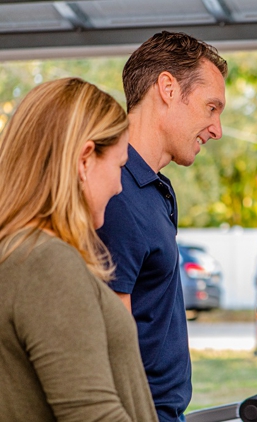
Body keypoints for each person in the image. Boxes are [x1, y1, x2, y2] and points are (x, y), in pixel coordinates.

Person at [0, 77, 158, 421]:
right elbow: (92, 413)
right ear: (85, 159)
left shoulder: (15, 251)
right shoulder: (46, 262)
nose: (119, 187)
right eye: (118, 166)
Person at [96, 31, 227, 421]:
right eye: (211, 108)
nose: (217, 129)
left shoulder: (155, 189)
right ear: (168, 88)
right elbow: (107, 343)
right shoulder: (113, 193)